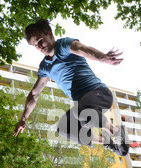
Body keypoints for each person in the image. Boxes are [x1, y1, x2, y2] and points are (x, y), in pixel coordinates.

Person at [13, 19, 129, 156]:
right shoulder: (45, 67)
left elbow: (82, 49)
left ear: (49, 34)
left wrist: (101, 57)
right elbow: (34, 94)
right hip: (83, 105)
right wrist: (23, 118)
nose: (39, 46)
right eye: (35, 45)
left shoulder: (63, 46)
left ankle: (115, 131)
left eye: (40, 41)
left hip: (99, 94)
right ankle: (105, 141)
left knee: (81, 113)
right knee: (64, 129)